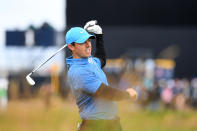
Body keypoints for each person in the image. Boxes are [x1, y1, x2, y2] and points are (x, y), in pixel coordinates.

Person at [65, 20, 138, 131]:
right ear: (71, 47)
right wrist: (128, 94)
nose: (88, 45)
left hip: (111, 123)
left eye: (88, 40)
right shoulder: (78, 72)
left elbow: (101, 60)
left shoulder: (89, 60)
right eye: (82, 42)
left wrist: (99, 35)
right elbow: (105, 93)